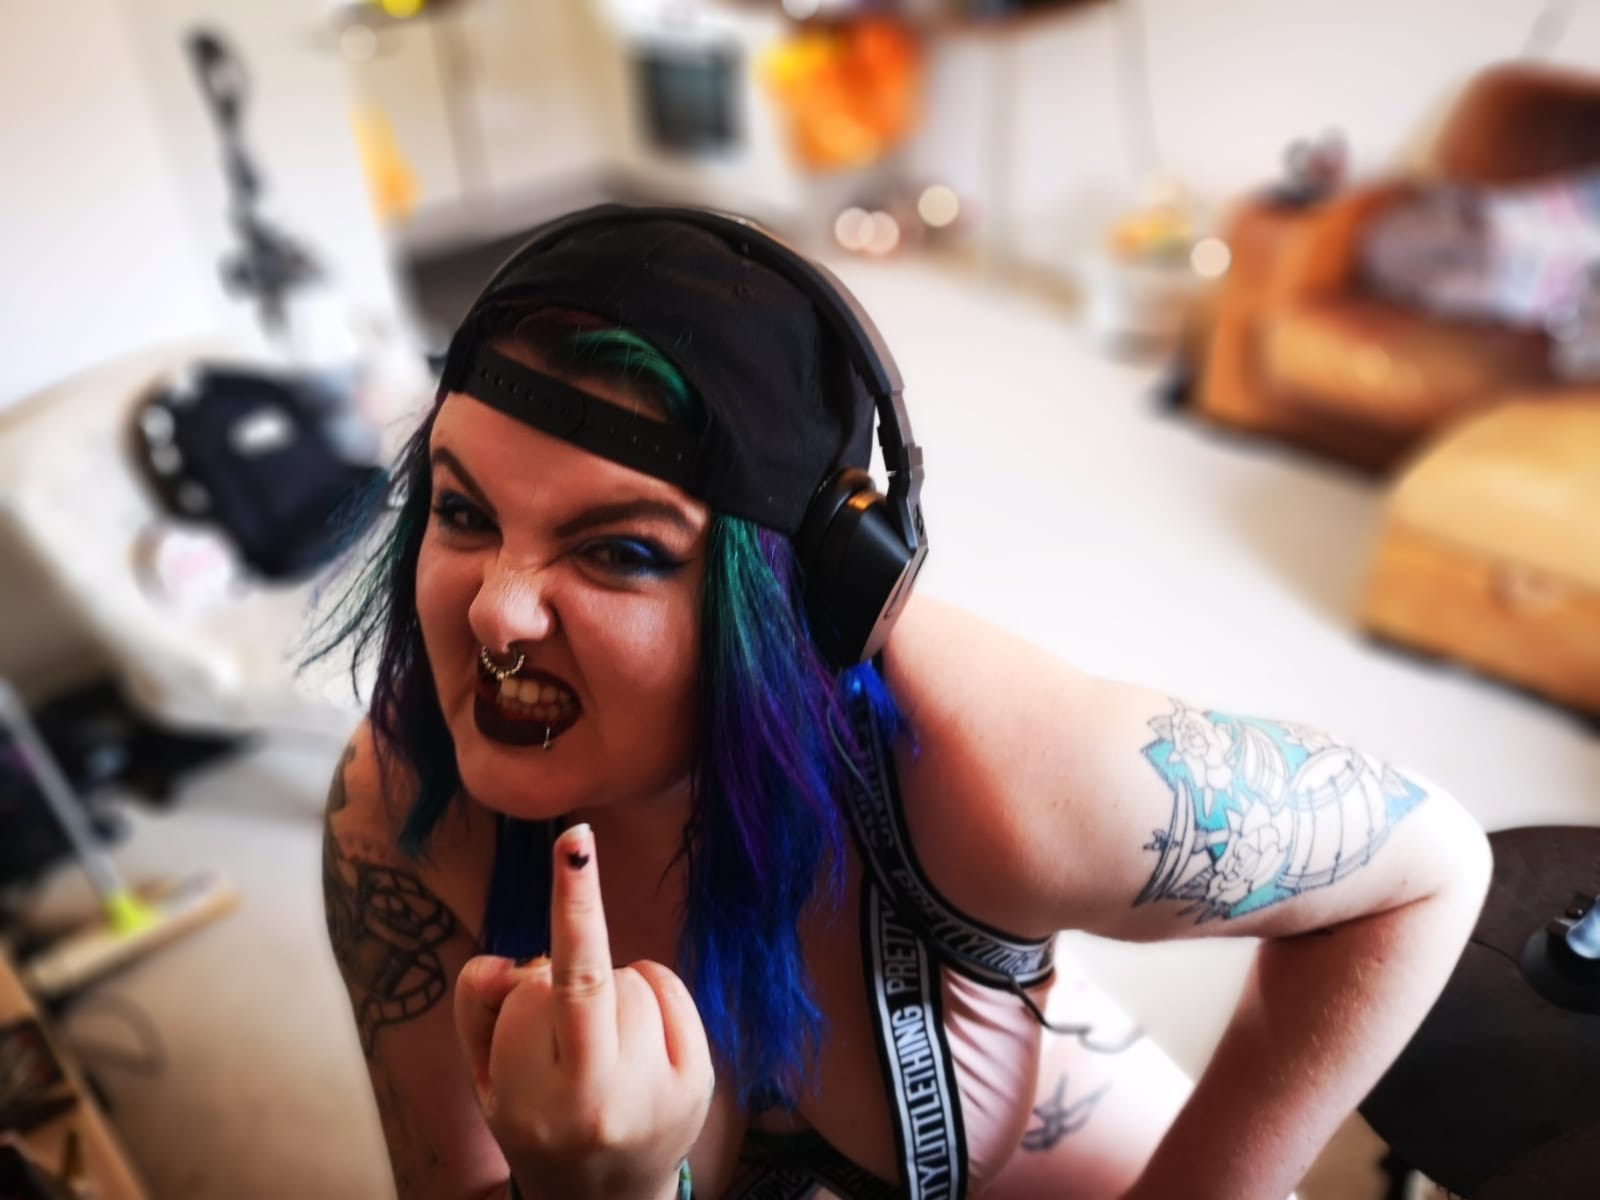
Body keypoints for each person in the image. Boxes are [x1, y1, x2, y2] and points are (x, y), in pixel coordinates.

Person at [317, 206, 1492, 1200]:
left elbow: (1428, 863)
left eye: (620, 552)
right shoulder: (397, 802)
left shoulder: (1013, 775)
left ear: (796, 598)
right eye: (463, 513)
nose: (497, 613)